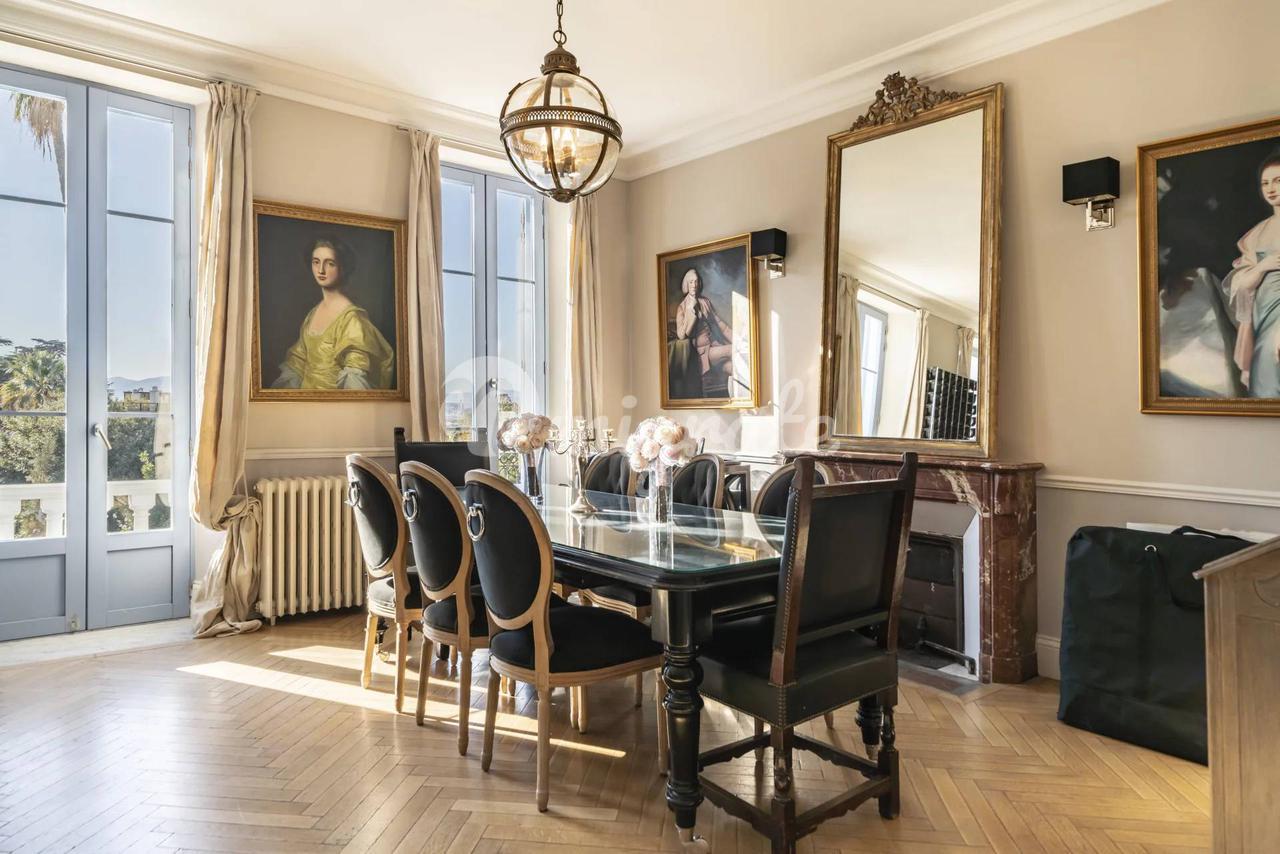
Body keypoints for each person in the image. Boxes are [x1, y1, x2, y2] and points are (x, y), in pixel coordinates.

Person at [272, 237, 395, 390]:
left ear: (343, 267)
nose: (321, 270)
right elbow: (298, 362)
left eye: (330, 263)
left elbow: (355, 381)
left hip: (332, 402)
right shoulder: (313, 313)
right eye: (316, 262)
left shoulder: (352, 319)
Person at [1225, 150, 1280, 398]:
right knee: (1263, 383)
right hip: (1261, 317)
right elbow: (1241, 284)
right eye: (1265, 183)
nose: (1271, 189)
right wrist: (1262, 266)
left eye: (1278, 181)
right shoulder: (1257, 233)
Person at [673, 268, 734, 397]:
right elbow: (681, 335)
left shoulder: (705, 302)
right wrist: (692, 314)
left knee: (734, 368)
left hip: (714, 347)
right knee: (733, 350)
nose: (694, 285)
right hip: (701, 354)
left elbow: (721, 326)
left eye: (696, 281)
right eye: (691, 282)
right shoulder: (682, 307)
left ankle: (740, 401)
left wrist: (739, 339)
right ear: (686, 284)